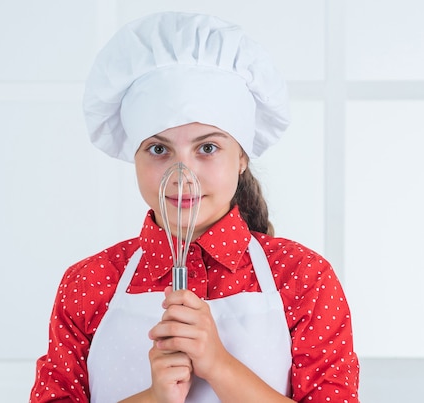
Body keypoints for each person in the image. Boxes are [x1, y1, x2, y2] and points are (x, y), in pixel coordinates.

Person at [30, 11, 359, 403]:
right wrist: (154, 397)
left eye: (207, 148)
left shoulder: (303, 278)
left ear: (241, 157)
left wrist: (219, 364)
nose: (182, 174)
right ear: (133, 156)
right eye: (158, 149)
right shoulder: (88, 283)